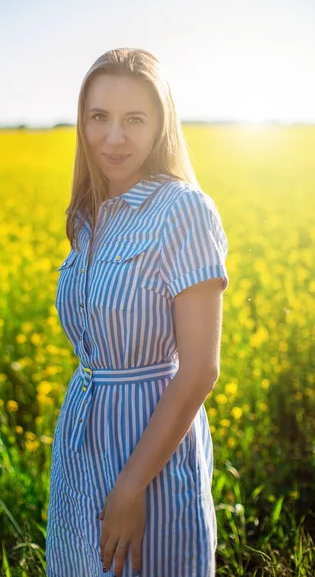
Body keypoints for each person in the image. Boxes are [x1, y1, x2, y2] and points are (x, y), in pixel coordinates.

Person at [45, 47, 229, 577]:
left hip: (150, 453)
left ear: (161, 126)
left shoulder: (185, 211)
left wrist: (132, 484)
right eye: (99, 117)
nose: (113, 137)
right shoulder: (87, 218)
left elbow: (199, 369)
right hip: (82, 447)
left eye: (134, 120)